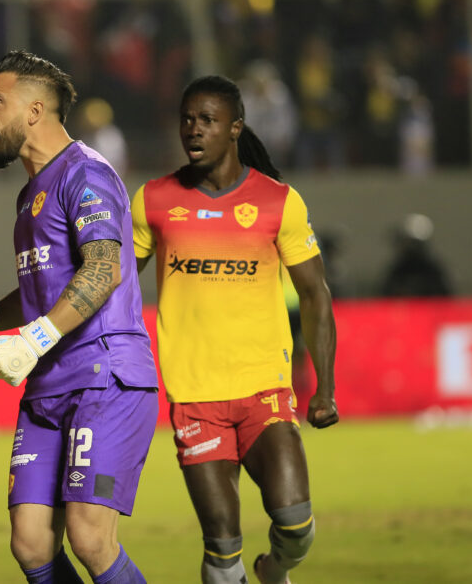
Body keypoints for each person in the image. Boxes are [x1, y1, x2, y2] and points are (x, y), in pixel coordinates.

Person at [0, 50, 159, 584]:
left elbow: (104, 269)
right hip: (49, 382)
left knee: (90, 536)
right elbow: (40, 287)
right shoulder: (31, 194)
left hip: (105, 376)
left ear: (33, 111)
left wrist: (37, 337)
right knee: (31, 545)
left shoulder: (86, 173)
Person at [131, 75, 339, 584]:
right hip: (195, 398)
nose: (193, 130)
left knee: (296, 524)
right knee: (222, 544)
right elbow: (109, 284)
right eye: (186, 119)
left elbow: (315, 295)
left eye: (207, 120)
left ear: (235, 128)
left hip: (264, 390)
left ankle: (273, 571)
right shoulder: (153, 200)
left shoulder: (278, 201)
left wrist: (325, 388)